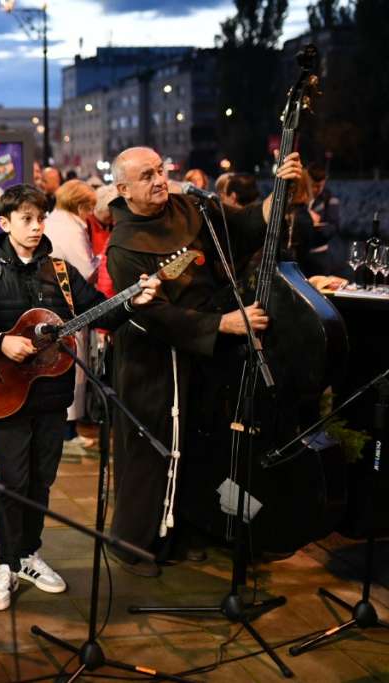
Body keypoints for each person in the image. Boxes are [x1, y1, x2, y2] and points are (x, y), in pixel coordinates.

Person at [0, 183, 159, 610]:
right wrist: (1, 341)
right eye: (25, 219)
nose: (35, 227)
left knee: (41, 480)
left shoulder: (61, 272)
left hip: (51, 392)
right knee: (13, 481)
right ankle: (6, 563)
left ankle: (29, 554)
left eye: (40, 218)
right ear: (5, 223)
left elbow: (100, 310)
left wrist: (133, 302)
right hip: (5, 394)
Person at [105, 146, 303, 577]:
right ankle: (134, 544)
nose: (159, 179)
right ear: (124, 190)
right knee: (151, 452)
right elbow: (152, 315)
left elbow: (247, 226)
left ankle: (186, 531)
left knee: (198, 444)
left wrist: (280, 189)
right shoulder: (122, 246)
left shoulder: (192, 207)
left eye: (160, 170)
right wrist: (221, 325)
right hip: (152, 362)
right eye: (146, 176)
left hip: (204, 350)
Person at [44, 179, 100, 445]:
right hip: (68, 306)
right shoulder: (71, 229)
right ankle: (68, 432)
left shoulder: (52, 221)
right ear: (80, 206)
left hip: (50, 303)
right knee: (71, 367)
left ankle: (64, 431)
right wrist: (101, 260)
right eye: (89, 208)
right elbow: (85, 271)